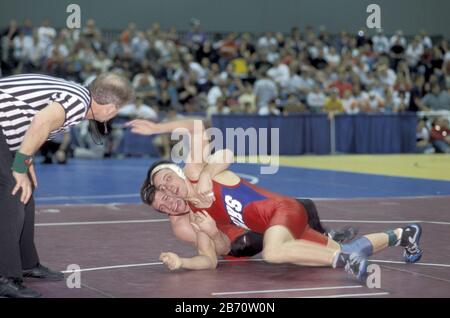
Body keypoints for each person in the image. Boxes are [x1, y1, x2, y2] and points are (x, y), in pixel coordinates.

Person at [126, 119, 424, 280]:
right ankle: (402, 235)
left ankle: (347, 260)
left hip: (283, 210)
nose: (168, 190)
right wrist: (185, 258)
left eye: (166, 180)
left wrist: (156, 128)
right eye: (162, 190)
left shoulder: (194, 170)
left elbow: (208, 137)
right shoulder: (195, 216)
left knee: (274, 252)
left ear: (176, 172)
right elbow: (211, 257)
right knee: (331, 250)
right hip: (279, 226)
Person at [0, 72, 133, 297]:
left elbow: (32, 123)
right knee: (11, 190)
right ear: (110, 108)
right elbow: (40, 121)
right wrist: (19, 166)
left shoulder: (77, 97)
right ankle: (4, 276)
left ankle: (26, 262)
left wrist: (25, 158)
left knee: (25, 186)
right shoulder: (76, 101)